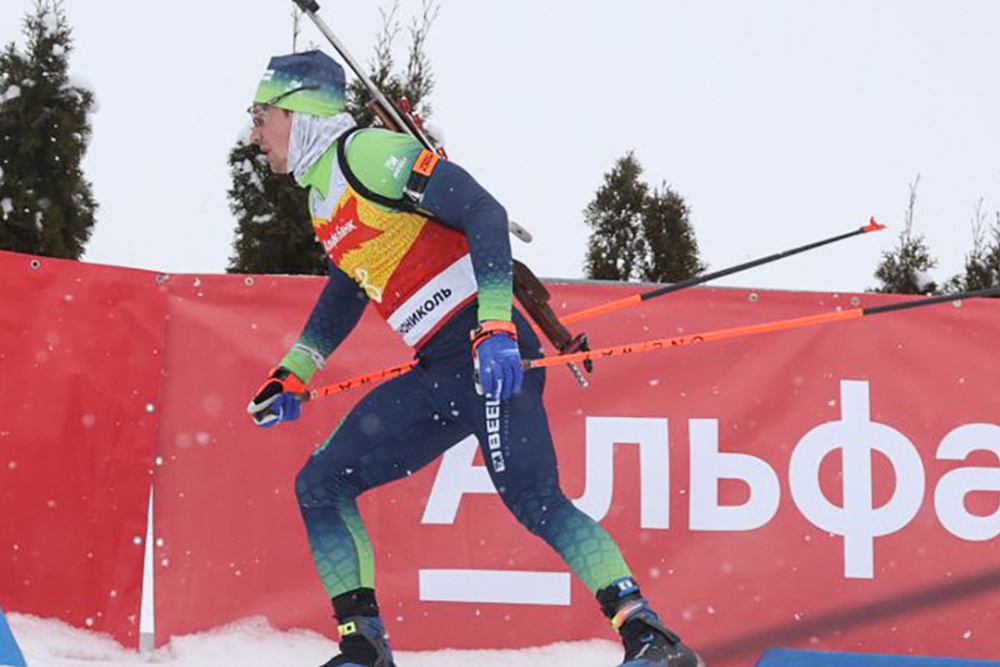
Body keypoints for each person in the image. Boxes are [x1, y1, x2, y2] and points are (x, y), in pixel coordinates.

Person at [245, 50, 702, 667]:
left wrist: (494, 325)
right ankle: (363, 646)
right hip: (438, 369)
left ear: (299, 111)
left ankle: (650, 637)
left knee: (535, 499)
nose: (254, 134)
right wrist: (293, 370)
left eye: (261, 116)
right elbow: (348, 288)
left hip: (485, 352)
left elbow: (483, 211)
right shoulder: (322, 200)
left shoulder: (367, 154)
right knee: (321, 483)